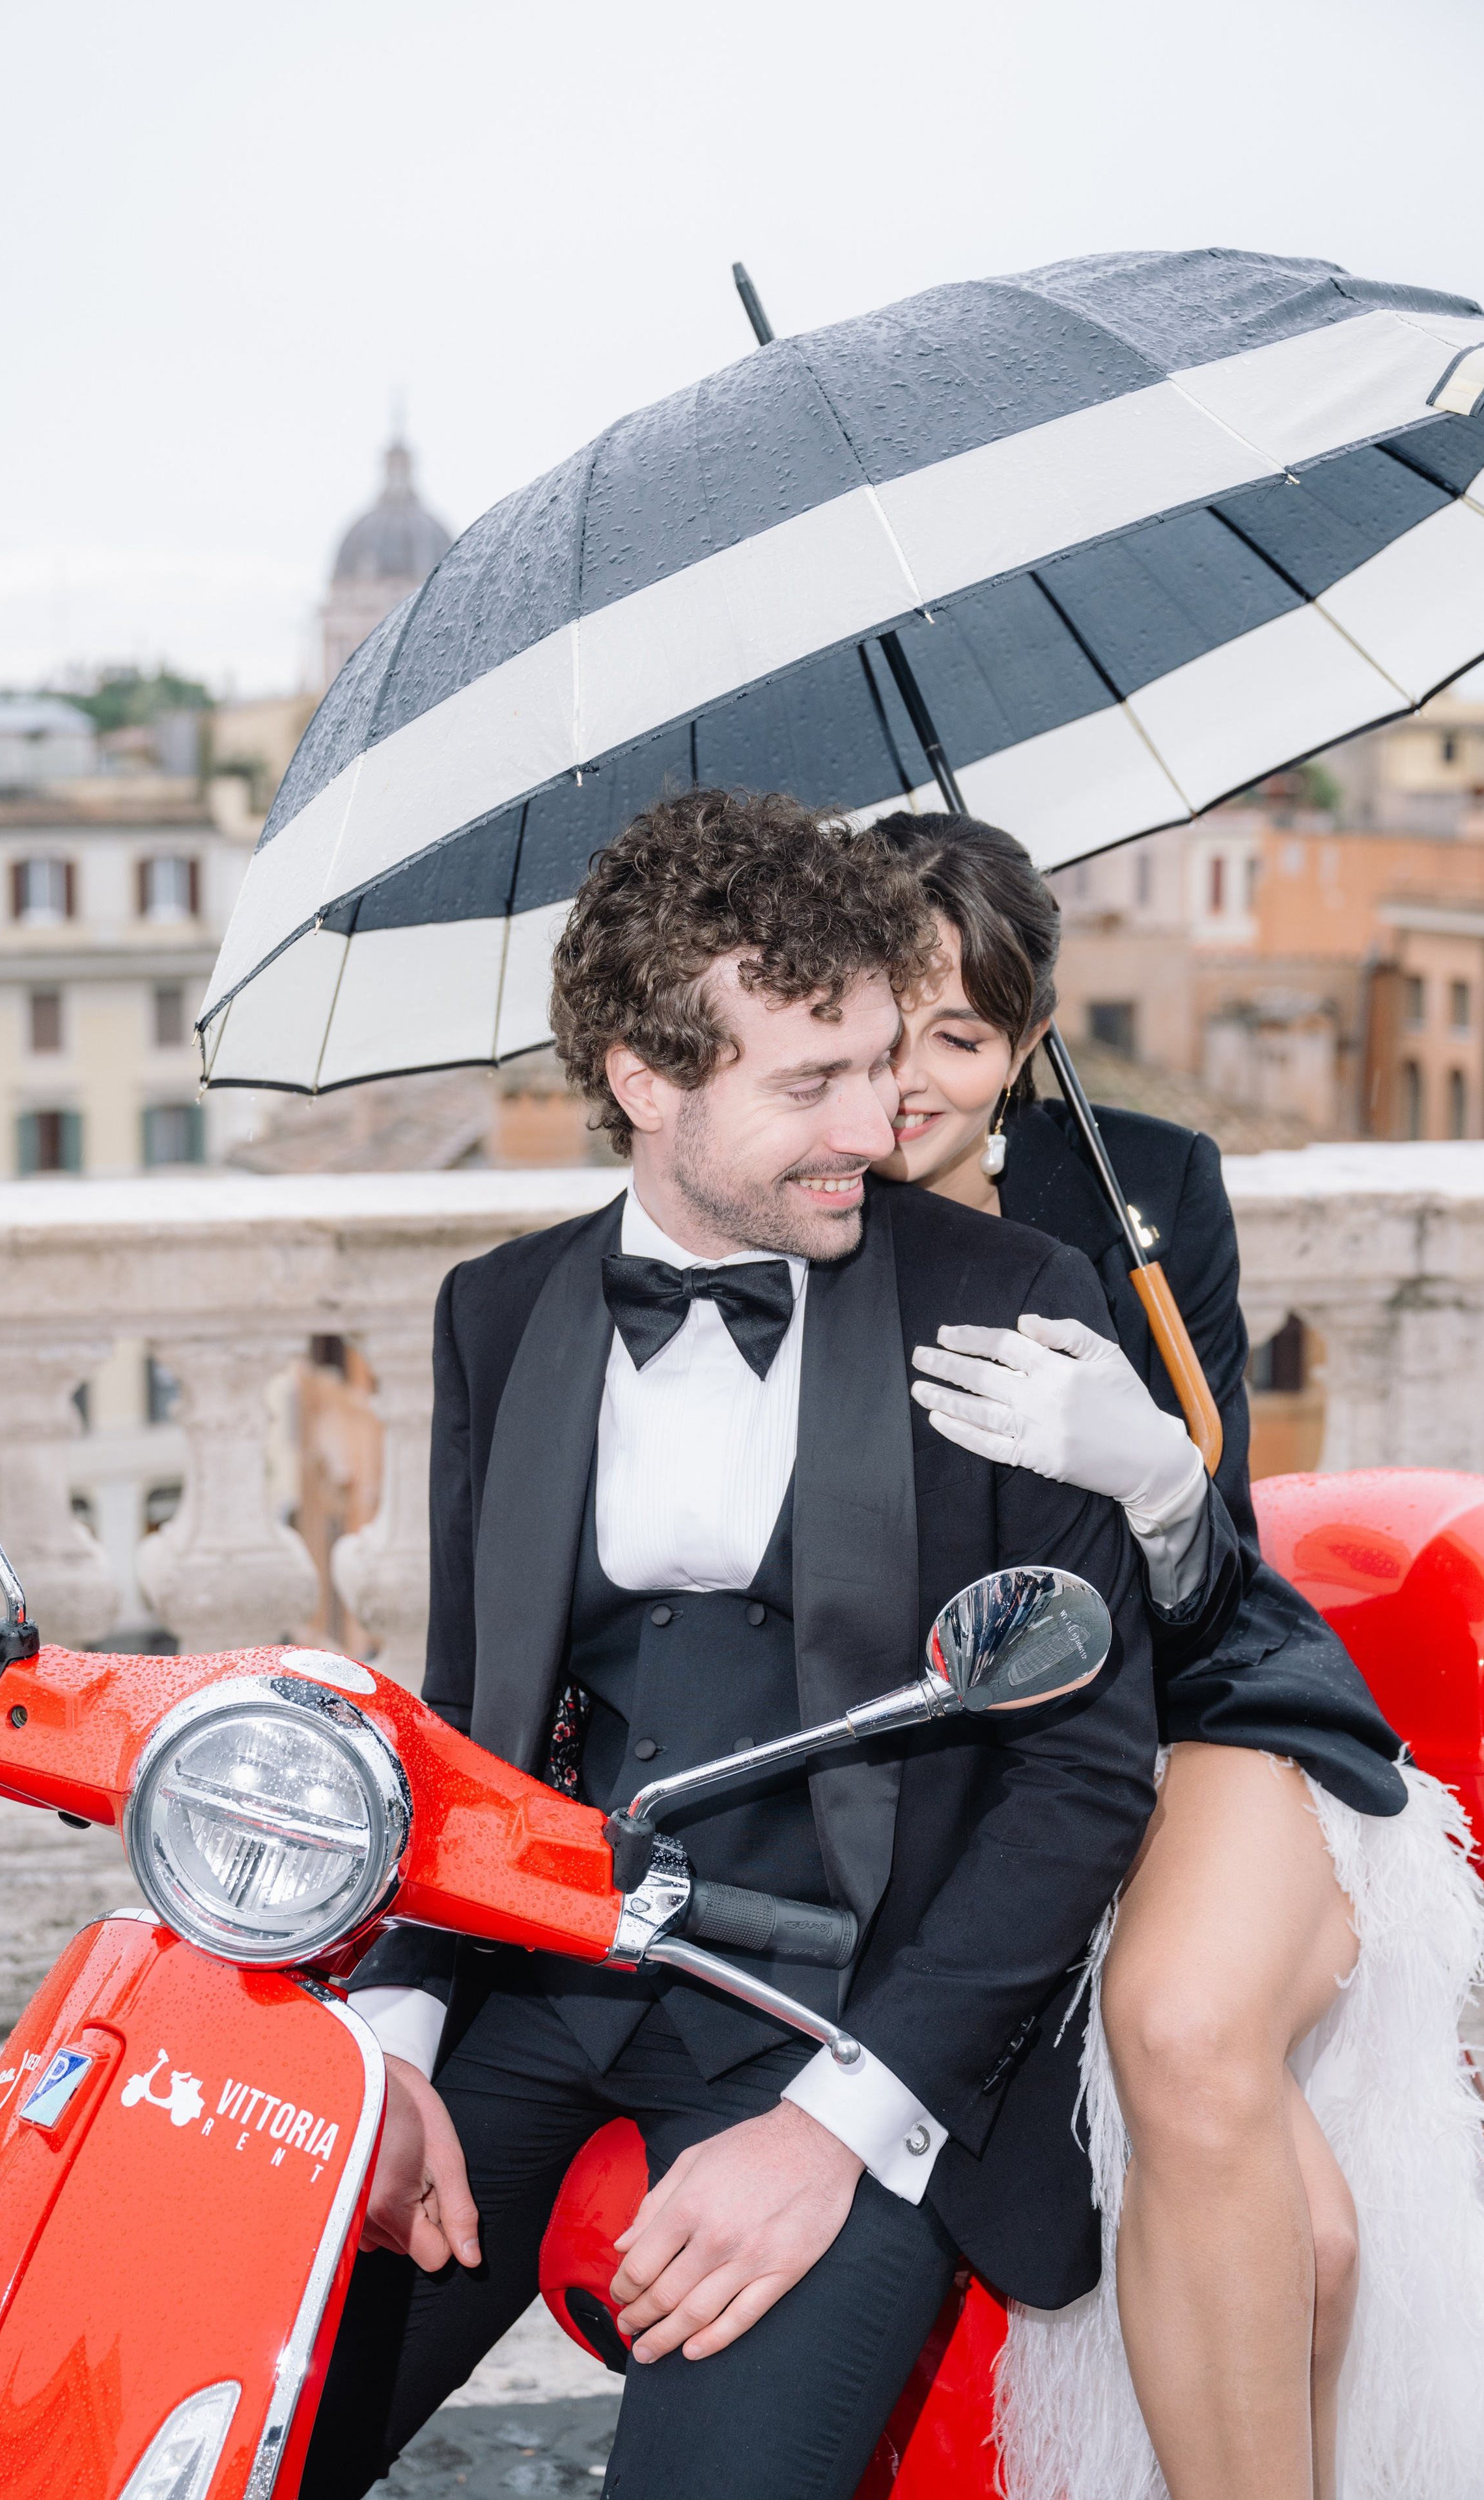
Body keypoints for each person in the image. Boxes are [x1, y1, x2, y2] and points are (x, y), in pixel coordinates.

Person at [300, 788, 1161, 2500]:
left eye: (881, 1062)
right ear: (646, 1079)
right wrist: (390, 2042)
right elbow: (474, 1720)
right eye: (810, 1082)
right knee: (229, 2421)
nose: (877, 1123)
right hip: (544, 1977)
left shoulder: (1015, 1300)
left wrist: (838, 2125)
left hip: (847, 2015)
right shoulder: (497, 1310)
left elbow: (1080, 1775)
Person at [872, 809, 1484, 2500]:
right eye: (880, 1026)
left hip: (1201, 1698)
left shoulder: (1142, 1188)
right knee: (1309, 2251)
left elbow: (1217, 1562)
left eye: (962, 1035)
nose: (913, 1079)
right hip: (976, 1749)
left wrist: (1153, 1474)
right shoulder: (791, 1204)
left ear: (1027, 1041)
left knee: (1174, 2023)